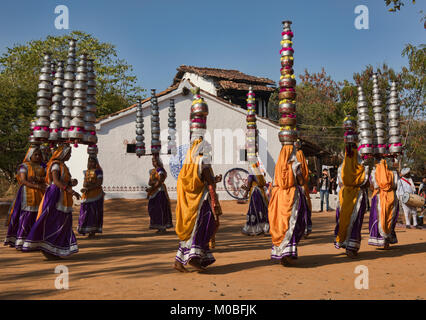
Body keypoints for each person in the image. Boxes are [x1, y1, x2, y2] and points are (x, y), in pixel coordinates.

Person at [174, 88, 221, 273]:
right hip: (200, 198)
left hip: (189, 196)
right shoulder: (203, 149)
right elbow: (206, 171)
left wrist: (211, 178)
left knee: (191, 228)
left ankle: (179, 260)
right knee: (204, 224)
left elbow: (196, 173)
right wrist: (213, 188)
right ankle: (194, 257)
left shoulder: (190, 153)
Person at [22, 144, 80, 259]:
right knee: (53, 220)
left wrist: (71, 183)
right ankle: (47, 248)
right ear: (62, 153)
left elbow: (62, 181)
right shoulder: (55, 166)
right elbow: (56, 181)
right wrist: (70, 190)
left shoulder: (63, 166)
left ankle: (56, 248)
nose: (70, 155)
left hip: (63, 196)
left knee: (63, 221)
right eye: (68, 153)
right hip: (55, 195)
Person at [268, 144, 308, 266]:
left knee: (280, 225)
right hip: (291, 196)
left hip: (279, 197)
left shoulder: (278, 166)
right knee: (292, 225)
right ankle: (287, 254)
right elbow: (301, 181)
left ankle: (282, 253)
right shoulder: (295, 164)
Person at [4, 146, 46, 249]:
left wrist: (39, 179)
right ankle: (21, 241)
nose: (38, 156)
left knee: (38, 215)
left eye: (39, 154)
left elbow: (47, 178)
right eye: (35, 154)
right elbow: (23, 180)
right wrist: (36, 185)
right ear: (30, 155)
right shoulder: (24, 166)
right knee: (27, 215)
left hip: (40, 193)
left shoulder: (43, 166)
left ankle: (35, 240)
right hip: (27, 194)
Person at [334, 144, 369, 258]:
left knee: (344, 219)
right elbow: (366, 183)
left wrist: (347, 186)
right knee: (355, 221)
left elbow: (340, 183)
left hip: (344, 196)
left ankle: (343, 242)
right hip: (358, 196)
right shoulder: (362, 167)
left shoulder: (341, 167)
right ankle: (351, 247)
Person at [368, 159, 399, 249]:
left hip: (379, 197)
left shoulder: (375, 172)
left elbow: (373, 186)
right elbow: (395, 185)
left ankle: (380, 240)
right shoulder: (393, 173)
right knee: (389, 219)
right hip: (391, 197)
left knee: (379, 219)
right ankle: (387, 242)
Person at [78, 156, 104, 237]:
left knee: (94, 212)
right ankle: (84, 229)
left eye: (93, 162)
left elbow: (99, 183)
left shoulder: (98, 172)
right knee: (85, 211)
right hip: (87, 194)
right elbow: (84, 183)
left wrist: (89, 187)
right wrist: (85, 187)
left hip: (96, 194)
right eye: (89, 161)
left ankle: (92, 231)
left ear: (96, 163)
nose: (91, 163)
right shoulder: (86, 172)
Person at [241, 161, 269, 236]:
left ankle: (254, 229)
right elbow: (262, 182)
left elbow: (249, 183)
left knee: (254, 210)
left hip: (255, 193)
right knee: (261, 209)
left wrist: (246, 192)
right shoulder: (258, 171)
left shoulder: (252, 172)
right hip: (260, 193)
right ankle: (262, 228)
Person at [146, 155, 173, 234]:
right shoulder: (152, 171)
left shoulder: (160, 170)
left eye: (155, 161)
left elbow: (160, 180)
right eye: (152, 161)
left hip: (159, 191)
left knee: (160, 209)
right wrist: (152, 186)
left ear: (158, 161)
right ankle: (158, 226)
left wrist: (152, 187)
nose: (153, 162)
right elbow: (150, 182)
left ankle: (162, 227)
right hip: (154, 191)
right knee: (153, 208)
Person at [295, 140, 312, 237]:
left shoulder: (298, 154)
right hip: (298, 186)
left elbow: (300, 172)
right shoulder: (295, 153)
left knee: (302, 208)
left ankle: (303, 229)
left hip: (299, 186)